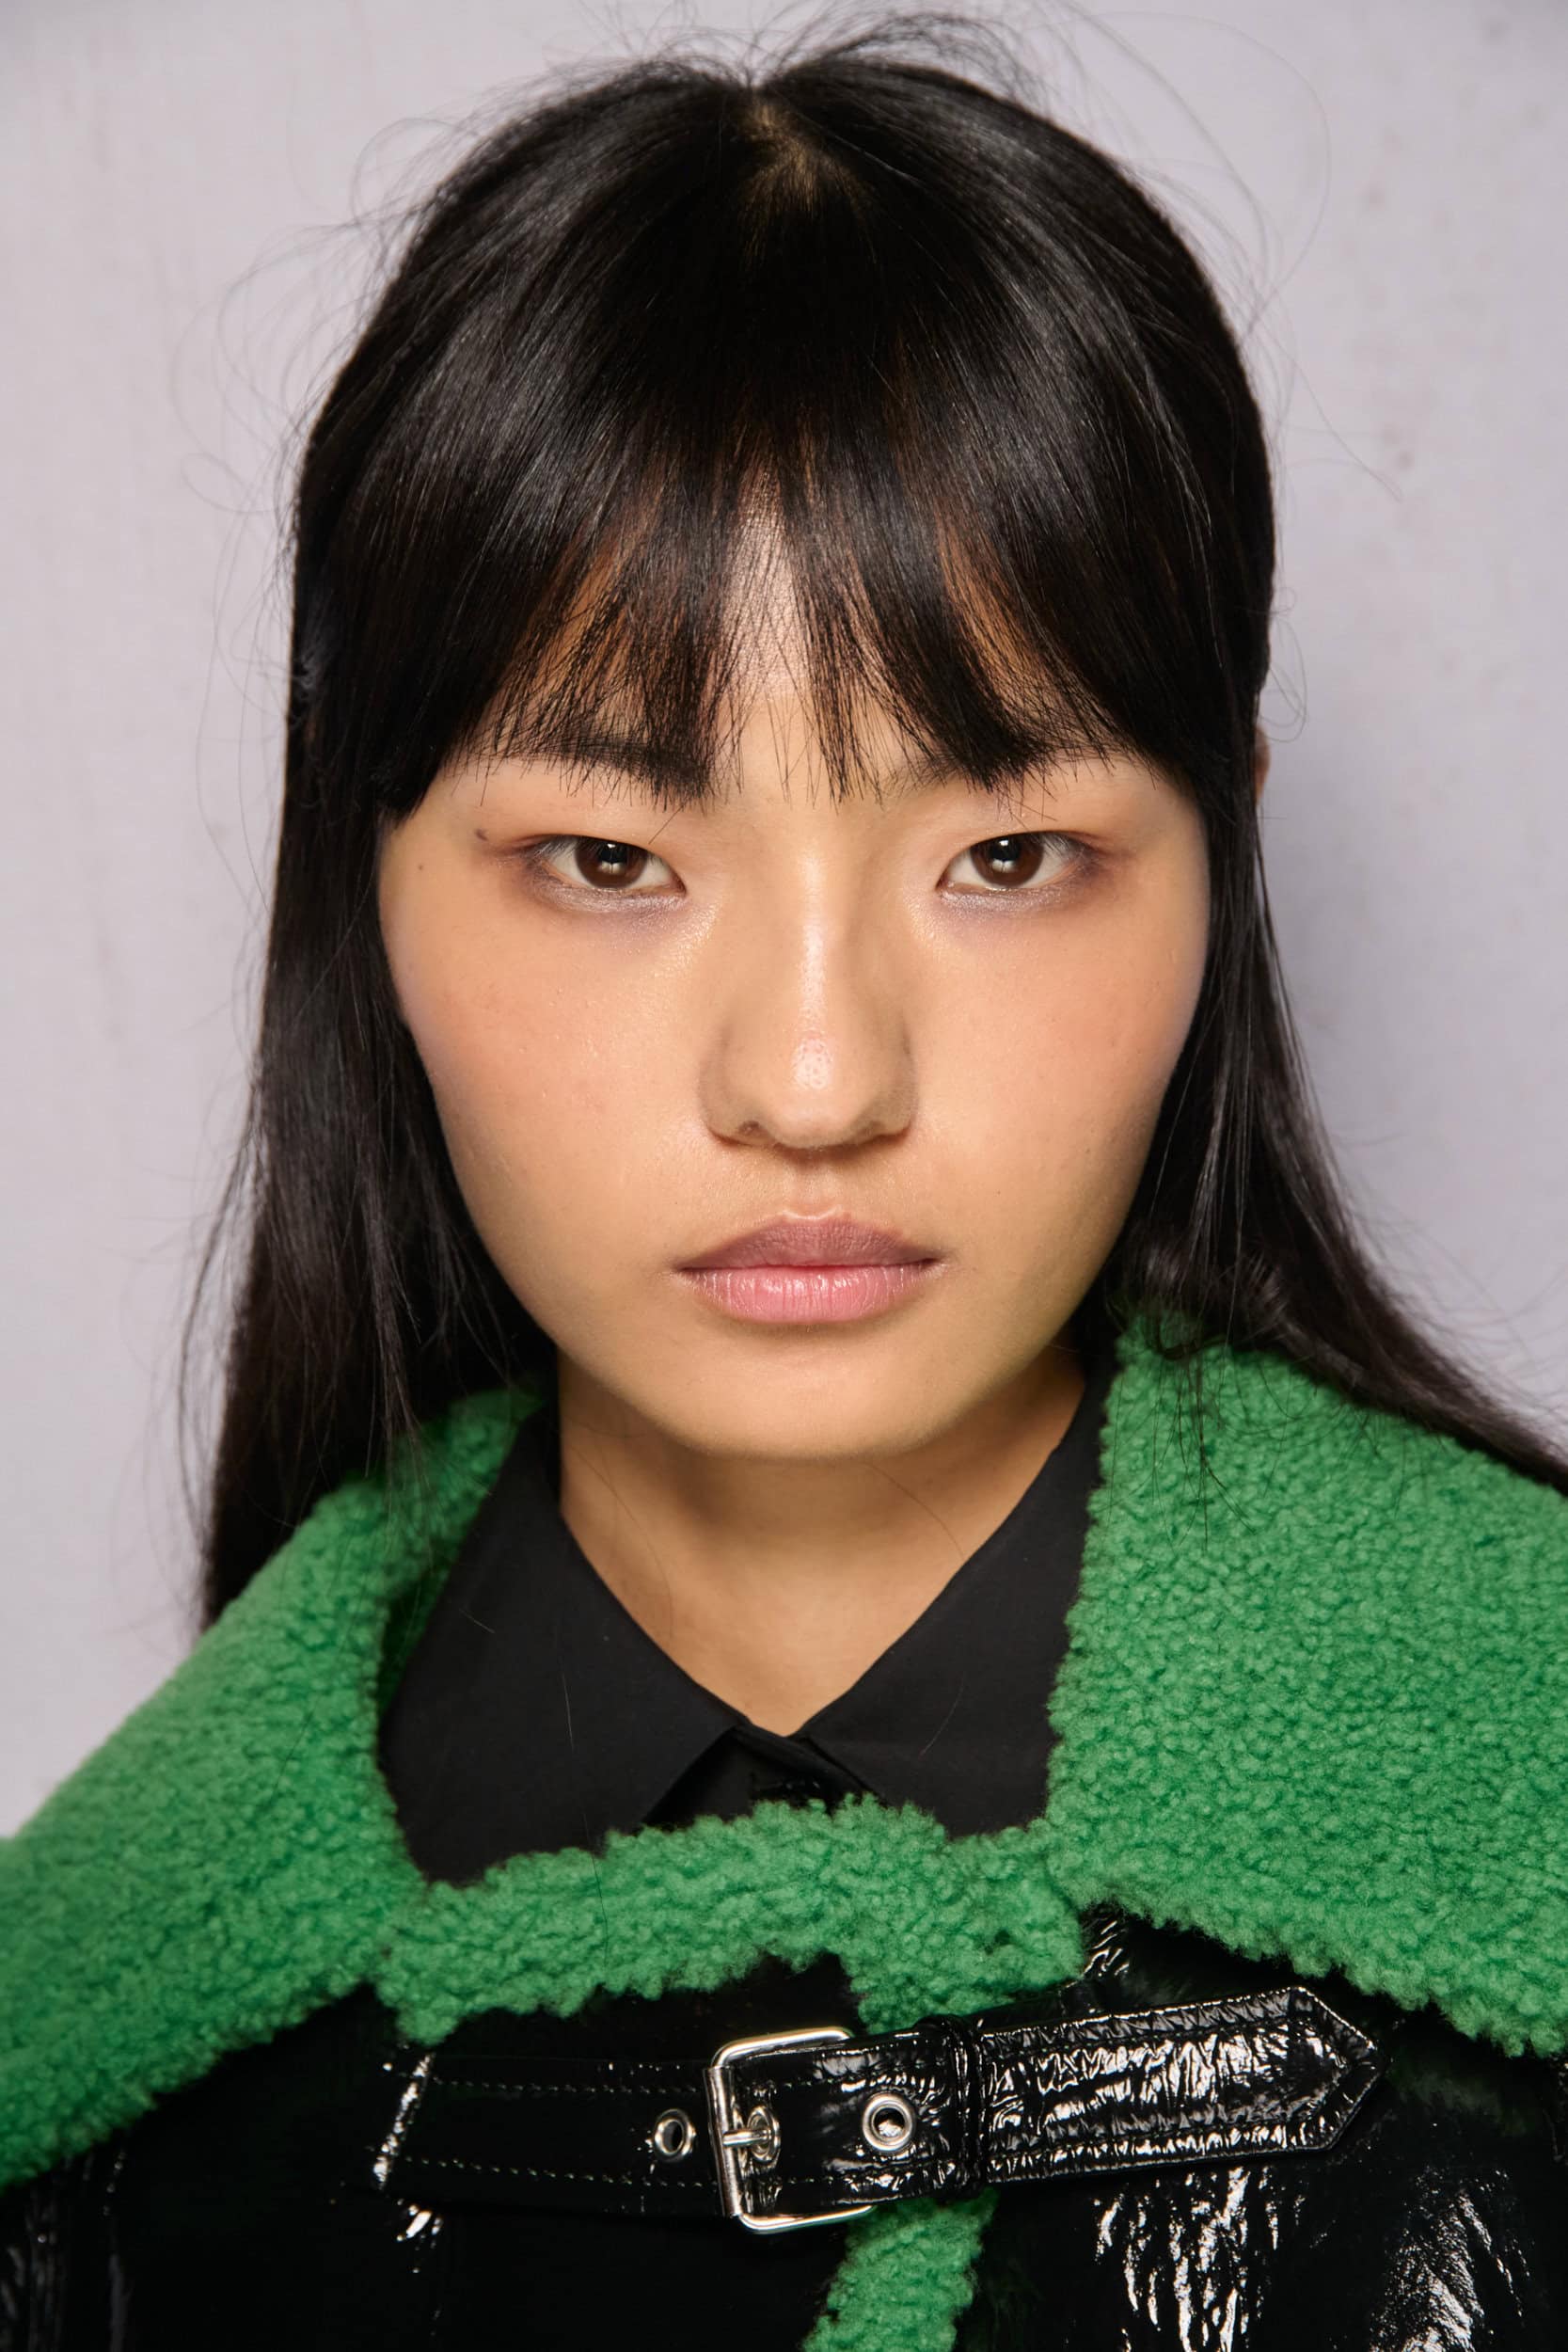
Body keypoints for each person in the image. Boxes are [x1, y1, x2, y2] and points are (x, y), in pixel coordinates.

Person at [3, 17, 1565, 2349]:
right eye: (609, 858)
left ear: (1222, 855)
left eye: (1006, 854)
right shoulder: (88, 2060)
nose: (815, 1080)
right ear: (367, 878)